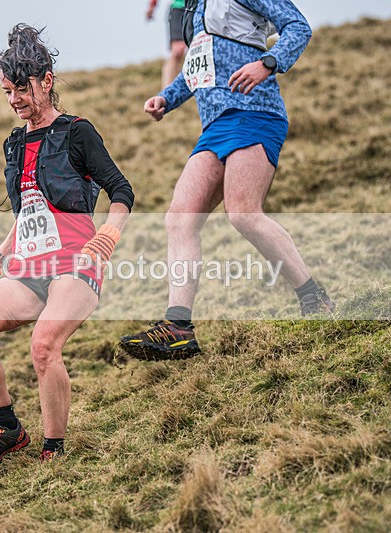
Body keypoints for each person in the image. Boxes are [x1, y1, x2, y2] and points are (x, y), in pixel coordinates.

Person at [0, 24, 134, 468]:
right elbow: (28, 215)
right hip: (28, 266)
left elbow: (121, 191)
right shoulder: (14, 144)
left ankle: (53, 450)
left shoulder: (78, 132)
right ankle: (9, 429)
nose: (15, 99)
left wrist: (108, 234)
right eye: (7, 91)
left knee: (43, 347)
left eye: (22, 87)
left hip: (76, 266)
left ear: (47, 81)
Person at [120, 0, 333, 361]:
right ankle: (178, 328)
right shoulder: (194, 8)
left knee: (243, 214)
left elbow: (298, 27)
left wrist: (267, 63)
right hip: (215, 126)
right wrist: (166, 99)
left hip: (256, 113)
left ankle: (315, 298)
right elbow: (197, 68)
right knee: (179, 218)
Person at [146, 0, 188, 87]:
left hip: (200, 10)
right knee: (177, 50)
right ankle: (166, 92)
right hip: (180, 8)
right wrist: (152, 5)